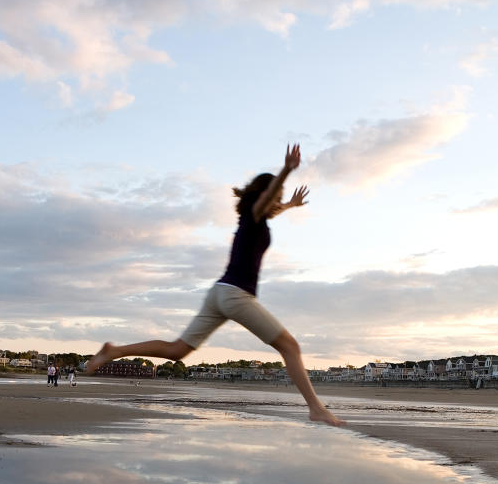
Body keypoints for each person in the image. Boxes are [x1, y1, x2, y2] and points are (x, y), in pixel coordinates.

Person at [84, 144, 343, 427]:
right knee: (290, 347)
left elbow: (273, 205)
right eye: (275, 196)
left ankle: (115, 351)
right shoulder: (255, 214)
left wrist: (291, 204)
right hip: (236, 296)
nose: (277, 201)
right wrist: (286, 171)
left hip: (219, 293)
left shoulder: (251, 219)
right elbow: (268, 198)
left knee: (177, 351)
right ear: (263, 195)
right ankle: (316, 408)